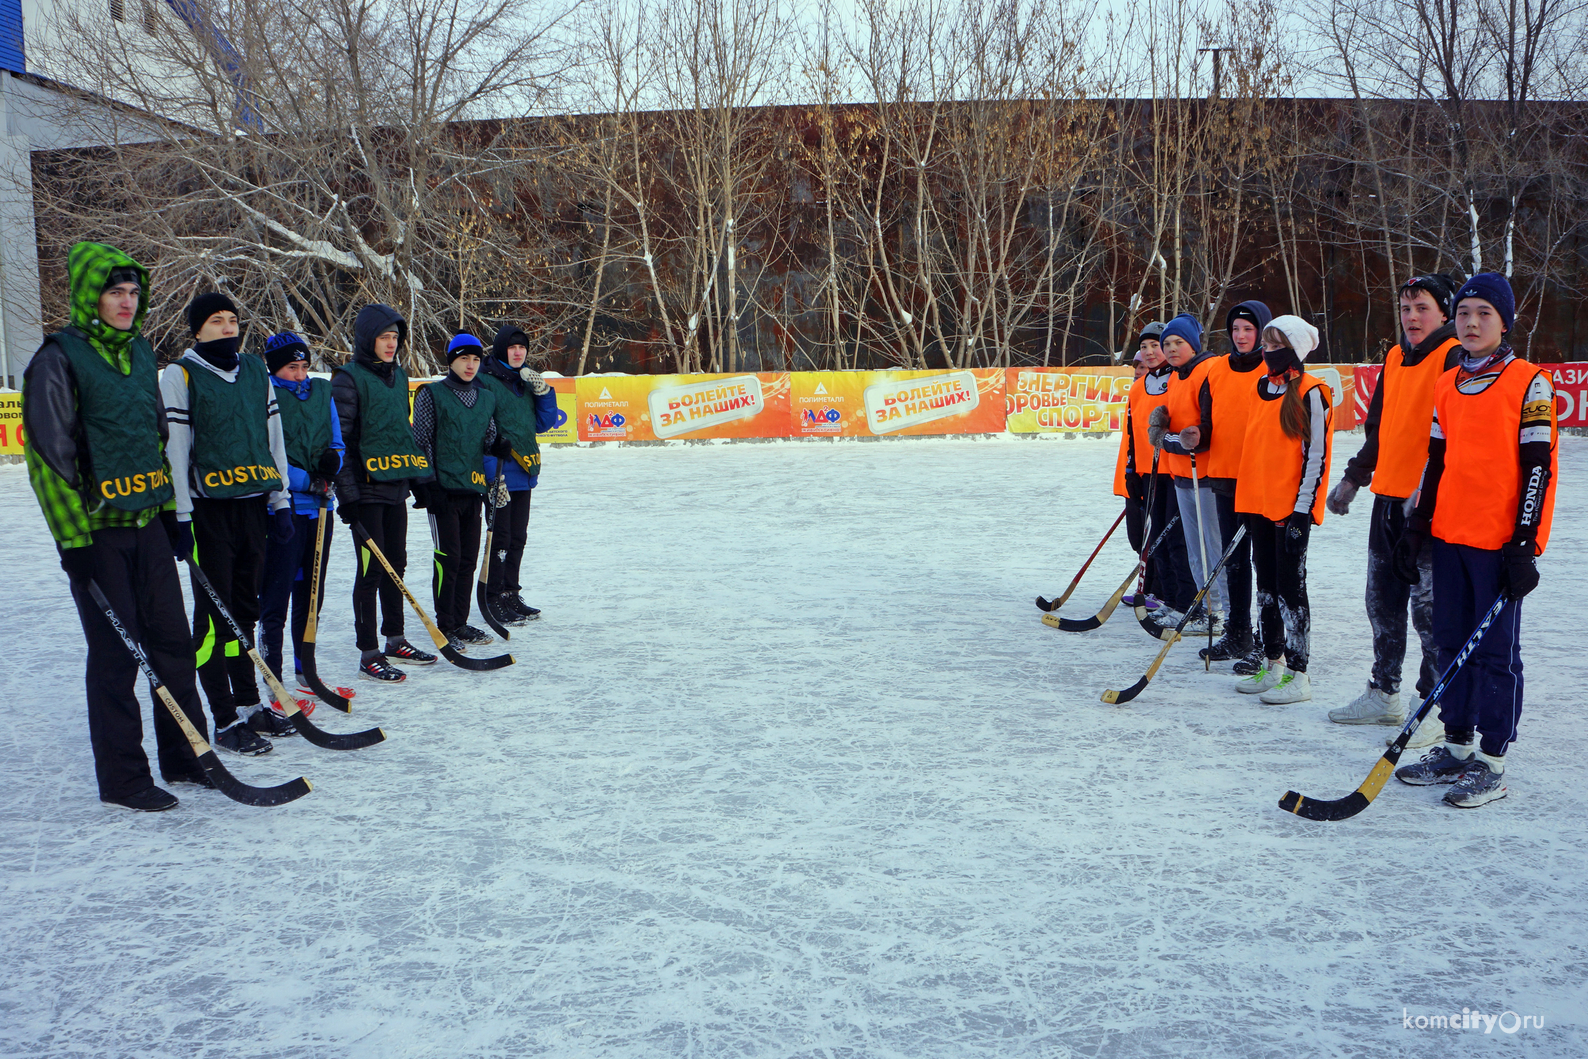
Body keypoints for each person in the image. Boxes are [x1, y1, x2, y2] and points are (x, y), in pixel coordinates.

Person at [22, 242, 213, 810]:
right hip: (97, 533)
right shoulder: (57, 359)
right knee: (116, 653)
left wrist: (170, 514)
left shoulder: (140, 353)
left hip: (147, 523)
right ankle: (124, 777)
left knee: (172, 642)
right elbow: (47, 459)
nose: (127, 302)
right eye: (114, 292)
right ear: (90, 296)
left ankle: (186, 755)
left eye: (133, 293)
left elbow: (156, 439)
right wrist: (72, 542)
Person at [1393, 274, 1556, 808]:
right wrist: (1418, 526)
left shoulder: (1528, 381)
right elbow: (1437, 462)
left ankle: (1491, 756)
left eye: (1483, 313)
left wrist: (1524, 544)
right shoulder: (1448, 382)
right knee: (1450, 642)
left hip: (1499, 542)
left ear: (1503, 321)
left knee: (1495, 653)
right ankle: (1457, 743)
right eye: (1463, 313)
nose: (1470, 323)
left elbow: (1538, 468)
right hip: (1450, 535)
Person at [1325, 274, 1464, 743]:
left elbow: (1452, 440)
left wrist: (1425, 495)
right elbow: (1379, 427)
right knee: (1382, 603)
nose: (1412, 317)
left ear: (1444, 313)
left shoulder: (1453, 356)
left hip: (1428, 505)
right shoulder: (1396, 355)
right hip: (1387, 497)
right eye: (1406, 309)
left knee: (1429, 613)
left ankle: (1434, 704)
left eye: (1422, 308)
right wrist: (1353, 477)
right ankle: (1384, 692)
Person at [162, 292, 295, 755]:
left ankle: (250, 705)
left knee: (245, 611)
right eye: (215, 321)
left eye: (232, 320)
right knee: (214, 619)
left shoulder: (256, 370)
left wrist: (280, 500)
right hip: (207, 511)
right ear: (197, 330)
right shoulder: (180, 375)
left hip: (252, 505)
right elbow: (175, 450)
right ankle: (222, 717)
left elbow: (272, 438)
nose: (226, 327)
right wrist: (180, 515)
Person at [334, 303, 437, 682]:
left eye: (395, 337)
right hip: (364, 491)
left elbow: (402, 434)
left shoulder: (399, 376)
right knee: (371, 569)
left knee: (397, 564)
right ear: (367, 339)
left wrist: (421, 480)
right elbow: (339, 442)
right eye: (384, 337)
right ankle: (369, 651)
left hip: (395, 488)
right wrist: (348, 497)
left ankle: (395, 638)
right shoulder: (348, 379)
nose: (391, 344)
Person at [1232, 316, 1332, 704]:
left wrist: (1302, 511)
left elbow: (1317, 458)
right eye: (1267, 345)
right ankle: (1272, 662)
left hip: (1290, 510)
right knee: (1267, 589)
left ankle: (1298, 673)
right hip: (1257, 505)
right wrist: (1245, 500)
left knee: (1292, 590)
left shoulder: (1312, 392)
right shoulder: (1261, 387)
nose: (1268, 352)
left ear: (1295, 350)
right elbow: (1254, 448)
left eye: (1277, 346)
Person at [257, 331, 347, 701]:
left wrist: (333, 464)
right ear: (277, 368)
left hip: (320, 508)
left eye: (304, 367)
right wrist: (308, 479)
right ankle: (273, 676)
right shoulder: (266, 394)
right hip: (284, 508)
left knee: (311, 594)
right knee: (277, 594)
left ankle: (305, 668)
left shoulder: (322, 392)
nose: (300, 374)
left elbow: (337, 442)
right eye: (292, 368)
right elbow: (266, 452)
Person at [410, 334, 508, 648]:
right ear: (451, 360)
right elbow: (420, 441)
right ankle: (446, 623)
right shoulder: (432, 394)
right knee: (448, 558)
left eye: (476, 359)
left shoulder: (485, 397)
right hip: (442, 490)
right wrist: (426, 484)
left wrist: (497, 445)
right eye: (464, 358)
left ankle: (461, 622)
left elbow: (487, 437)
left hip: (472, 488)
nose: (470, 365)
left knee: (467, 560)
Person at [1198, 300, 1271, 670]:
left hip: (1260, 479)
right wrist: (1198, 434)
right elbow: (1210, 421)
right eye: (1236, 329)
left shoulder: (1271, 369)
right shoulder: (1217, 371)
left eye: (1249, 329)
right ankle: (1238, 631)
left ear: (1262, 330)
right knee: (1234, 561)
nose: (1241, 336)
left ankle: (1268, 639)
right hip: (1224, 476)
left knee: (1265, 563)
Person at [478, 324, 560, 626]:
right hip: (499, 471)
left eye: (522, 347)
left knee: (517, 537)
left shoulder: (524, 381)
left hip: (524, 470)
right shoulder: (485, 381)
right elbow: (481, 431)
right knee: (499, 538)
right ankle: (493, 596)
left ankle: (511, 592)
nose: (517, 352)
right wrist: (491, 477)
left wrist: (543, 392)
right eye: (512, 347)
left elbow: (543, 424)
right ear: (501, 349)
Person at [1148, 313, 1222, 634]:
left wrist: (1169, 440)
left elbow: (1207, 430)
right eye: (1168, 344)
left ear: (1193, 343)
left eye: (1178, 342)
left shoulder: (1208, 371)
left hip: (1204, 475)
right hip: (1182, 475)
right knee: (1194, 548)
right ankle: (1202, 607)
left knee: (1211, 546)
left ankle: (1218, 610)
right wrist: (1163, 425)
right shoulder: (1176, 376)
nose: (1172, 349)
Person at [1117, 322, 1190, 613]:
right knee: (1154, 537)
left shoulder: (1179, 381)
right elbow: (1133, 435)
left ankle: (1185, 600)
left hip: (1174, 471)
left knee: (1176, 540)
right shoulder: (1138, 387)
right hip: (1148, 473)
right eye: (1144, 347)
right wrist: (1131, 471)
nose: (1148, 352)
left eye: (1154, 345)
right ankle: (1165, 596)